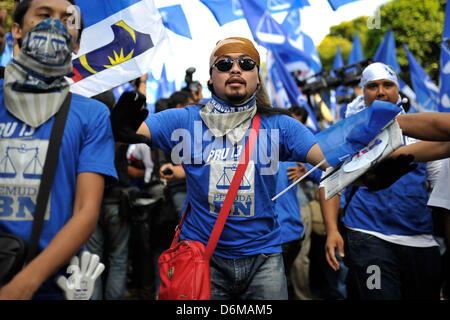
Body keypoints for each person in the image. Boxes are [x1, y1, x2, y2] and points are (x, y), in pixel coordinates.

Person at [113, 37, 329, 300]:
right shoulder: (184, 120)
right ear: (211, 78)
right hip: (203, 257)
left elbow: (327, 159)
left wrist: (370, 159)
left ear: (257, 79)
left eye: (247, 63)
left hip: (264, 258)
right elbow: (130, 132)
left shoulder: (281, 126)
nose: (235, 69)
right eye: (225, 64)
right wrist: (121, 127)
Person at [0, 0, 117, 300]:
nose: (54, 24)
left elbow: (86, 210)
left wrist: (25, 283)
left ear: (76, 43)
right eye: (43, 15)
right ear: (16, 31)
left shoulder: (92, 114)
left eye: (67, 20)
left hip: (51, 287)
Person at [320, 62, 442, 300]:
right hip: (368, 236)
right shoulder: (349, 136)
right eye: (372, 86)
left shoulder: (420, 130)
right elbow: (329, 182)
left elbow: (439, 186)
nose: (381, 91)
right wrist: (332, 230)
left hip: (420, 240)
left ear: (398, 90)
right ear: (363, 92)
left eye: (388, 84)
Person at [85, 91, 138, 300]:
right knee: (118, 257)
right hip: (117, 201)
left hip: (90, 202)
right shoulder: (119, 129)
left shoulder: (85, 127)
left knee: (90, 260)